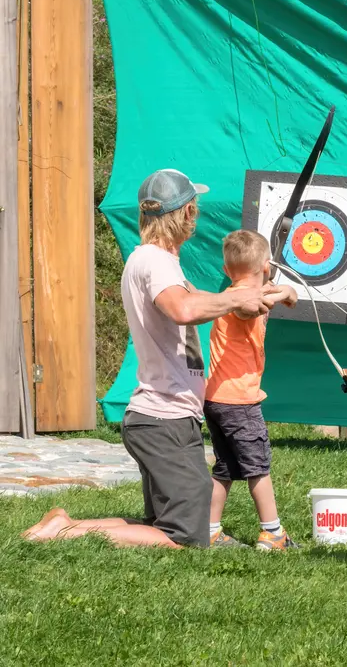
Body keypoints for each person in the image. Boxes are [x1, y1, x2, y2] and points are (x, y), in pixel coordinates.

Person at [23, 170, 270, 548]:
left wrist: (261, 290)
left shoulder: (159, 263)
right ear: (187, 212)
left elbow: (201, 298)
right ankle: (66, 533)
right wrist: (237, 299)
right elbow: (184, 309)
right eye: (195, 209)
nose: (197, 215)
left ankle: (66, 522)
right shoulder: (154, 262)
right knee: (186, 535)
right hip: (162, 418)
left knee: (162, 523)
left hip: (165, 417)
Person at [204, 230, 299, 550]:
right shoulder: (239, 299)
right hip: (238, 400)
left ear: (226, 270)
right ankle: (272, 533)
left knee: (225, 467)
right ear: (266, 266)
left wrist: (282, 289)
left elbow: (287, 296)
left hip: (216, 399)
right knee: (258, 467)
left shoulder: (240, 289)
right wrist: (274, 291)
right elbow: (249, 308)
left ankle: (209, 529)